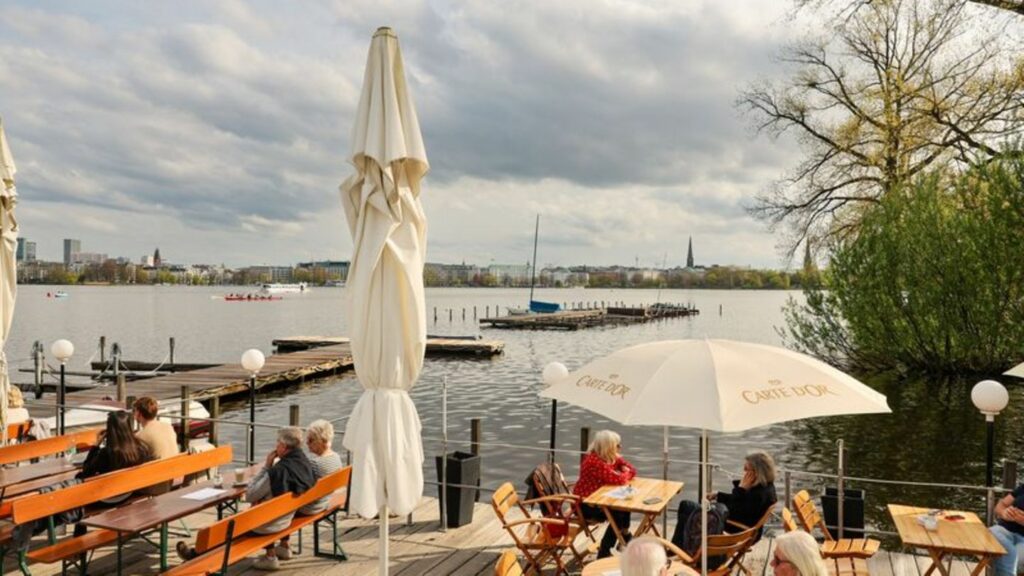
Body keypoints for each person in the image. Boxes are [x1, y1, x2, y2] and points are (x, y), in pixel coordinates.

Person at [179, 427, 314, 570]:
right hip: (286, 520)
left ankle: (194, 555)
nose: (276, 446)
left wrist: (267, 467)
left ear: (284, 446)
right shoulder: (304, 463)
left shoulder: (277, 472)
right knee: (256, 509)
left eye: (277, 443)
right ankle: (279, 549)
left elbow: (249, 495)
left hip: (267, 525)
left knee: (223, 529)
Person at [269, 420, 344, 563]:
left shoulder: (315, 464)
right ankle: (284, 545)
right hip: (324, 502)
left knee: (275, 505)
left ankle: (272, 553)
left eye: (310, 440)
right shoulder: (336, 458)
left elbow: (296, 487)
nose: (307, 444)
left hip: (309, 507)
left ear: (321, 441)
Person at [671, 451, 777, 551]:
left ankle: (679, 547)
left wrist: (741, 488)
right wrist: (718, 495)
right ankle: (682, 545)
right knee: (690, 509)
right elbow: (741, 503)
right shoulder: (766, 488)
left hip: (736, 528)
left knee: (686, 507)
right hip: (742, 526)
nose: (744, 472)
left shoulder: (758, 495)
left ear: (756, 472)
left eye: (747, 469)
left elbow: (733, 509)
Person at [573, 429, 637, 558]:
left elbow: (632, 470)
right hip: (585, 505)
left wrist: (624, 470)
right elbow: (620, 479)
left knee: (625, 505)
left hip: (599, 499)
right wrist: (624, 472)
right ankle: (606, 549)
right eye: (617, 445)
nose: (620, 447)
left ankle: (623, 537)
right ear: (608, 447)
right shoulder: (594, 462)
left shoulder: (608, 458)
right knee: (618, 514)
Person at [990, 482, 1024, 576]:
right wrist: (1004, 513)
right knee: (993, 531)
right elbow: (1001, 505)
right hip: (1004, 531)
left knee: (1005, 559)